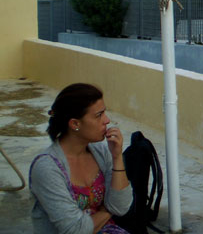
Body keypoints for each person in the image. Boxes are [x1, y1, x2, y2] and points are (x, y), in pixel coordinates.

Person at [29, 83, 133, 234]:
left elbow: (122, 205)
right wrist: (108, 210)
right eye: (99, 115)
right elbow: (75, 229)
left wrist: (117, 157)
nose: (107, 120)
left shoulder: (101, 152)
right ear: (75, 124)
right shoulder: (47, 168)